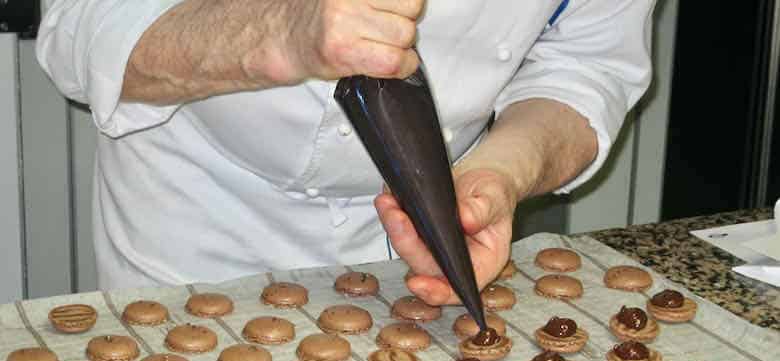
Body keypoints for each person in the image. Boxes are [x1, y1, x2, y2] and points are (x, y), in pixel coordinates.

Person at [37, 0, 655, 305]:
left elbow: (586, 67)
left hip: (418, 232)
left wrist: (499, 173)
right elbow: (78, 28)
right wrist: (273, 32)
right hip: (195, 216)